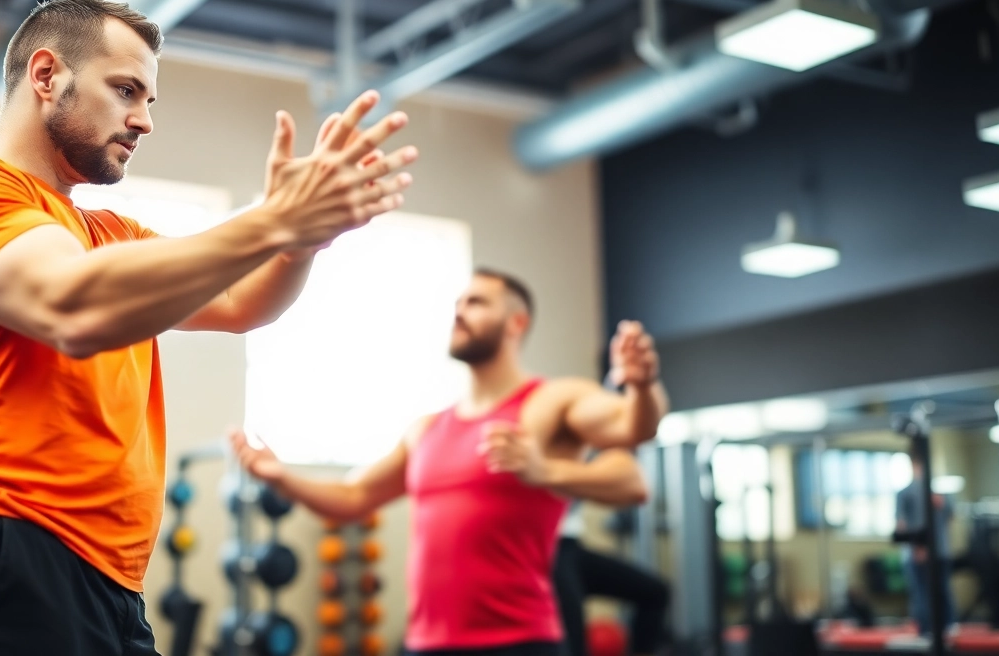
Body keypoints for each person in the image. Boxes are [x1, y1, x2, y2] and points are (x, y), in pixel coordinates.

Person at [0, 0, 418, 656]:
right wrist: (273, 220)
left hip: (106, 574)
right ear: (46, 76)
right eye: (126, 90)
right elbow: (72, 308)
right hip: (0, 540)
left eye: (149, 100)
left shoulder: (107, 232)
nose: (143, 121)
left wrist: (300, 241)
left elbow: (243, 302)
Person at [231, 269, 668, 656]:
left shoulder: (548, 402)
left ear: (517, 322)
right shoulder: (428, 427)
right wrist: (285, 479)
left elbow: (634, 428)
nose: (459, 313)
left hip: (517, 643)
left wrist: (642, 388)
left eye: (476, 303)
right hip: (425, 645)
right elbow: (354, 495)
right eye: (458, 303)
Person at [553, 502, 670, 656]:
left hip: (572, 545)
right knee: (573, 635)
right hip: (549, 548)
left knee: (655, 593)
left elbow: (636, 492)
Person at [895, 452, 956, 636]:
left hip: (940, 551)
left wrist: (941, 504)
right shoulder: (905, 493)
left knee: (942, 589)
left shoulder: (940, 493)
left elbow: (950, 517)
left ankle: (948, 626)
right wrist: (917, 547)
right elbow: (902, 524)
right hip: (917, 553)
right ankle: (927, 630)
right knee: (922, 593)